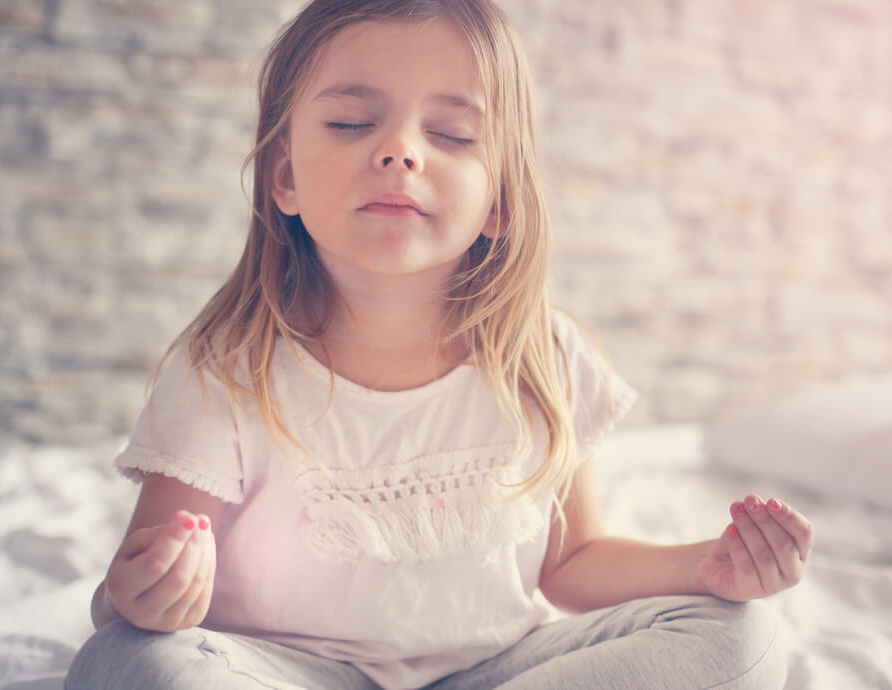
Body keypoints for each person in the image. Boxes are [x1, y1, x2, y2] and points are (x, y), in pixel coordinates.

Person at [65, 1, 814, 688]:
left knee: (740, 635)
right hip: (283, 674)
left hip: (498, 669)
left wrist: (707, 566)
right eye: (353, 123)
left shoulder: (542, 357)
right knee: (130, 663)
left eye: (453, 134)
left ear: (501, 201)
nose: (400, 151)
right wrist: (140, 595)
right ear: (284, 176)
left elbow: (573, 565)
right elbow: (125, 596)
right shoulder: (226, 368)